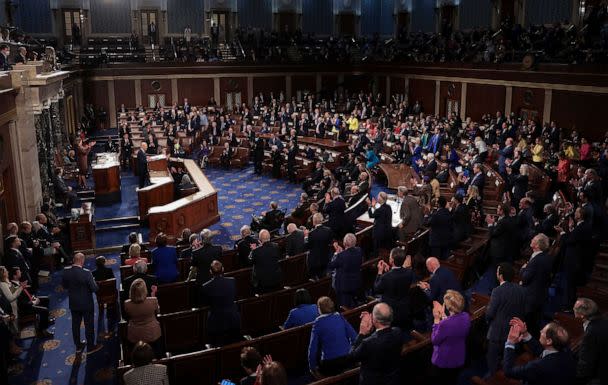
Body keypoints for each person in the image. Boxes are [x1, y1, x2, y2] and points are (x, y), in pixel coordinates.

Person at [503, 318, 576, 385]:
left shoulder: (538, 366)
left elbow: (509, 371)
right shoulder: (566, 352)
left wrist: (510, 342)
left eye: (543, 332)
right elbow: (542, 352)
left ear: (549, 341)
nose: (540, 331)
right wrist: (525, 333)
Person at [485, 262, 526, 376]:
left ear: (500, 275)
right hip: (514, 332)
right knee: (508, 360)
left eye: (497, 271)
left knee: (493, 361)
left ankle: (493, 378)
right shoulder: (521, 290)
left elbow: (490, 313)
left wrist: (488, 319)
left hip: (497, 334)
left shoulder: (497, 291)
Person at [350, 303, 403, 385]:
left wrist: (362, 333)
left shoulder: (368, 343)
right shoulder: (398, 332)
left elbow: (352, 357)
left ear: (375, 320)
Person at [61, 252, 101, 353]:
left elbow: (65, 286)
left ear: (74, 260)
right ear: (82, 261)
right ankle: (91, 347)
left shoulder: (66, 272)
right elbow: (94, 288)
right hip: (86, 303)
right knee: (89, 325)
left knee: (75, 325)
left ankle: (78, 347)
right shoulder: (86, 273)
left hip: (73, 303)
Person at [308, 296, 357, 378]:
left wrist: (312, 368)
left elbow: (313, 348)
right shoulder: (339, 316)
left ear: (319, 309)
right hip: (347, 359)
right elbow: (354, 337)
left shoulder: (318, 322)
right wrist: (351, 352)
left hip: (330, 364)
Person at [430, 290, 471, 385]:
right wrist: (444, 317)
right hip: (458, 357)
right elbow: (453, 327)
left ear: (449, 307)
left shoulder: (444, 324)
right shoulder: (466, 316)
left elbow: (435, 340)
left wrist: (436, 320)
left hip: (444, 360)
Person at [519, 233, 553, 338]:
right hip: (541, 295)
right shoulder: (548, 257)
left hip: (531, 298)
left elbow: (524, 278)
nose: (531, 239)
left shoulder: (536, 260)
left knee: (528, 323)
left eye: (534, 239)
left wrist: (523, 268)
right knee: (535, 323)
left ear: (537, 245)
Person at [200, 261, 241, 346]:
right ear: (223, 269)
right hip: (233, 318)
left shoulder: (206, 286)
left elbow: (205, 303)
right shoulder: (232, 281)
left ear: (210, 272)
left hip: (216, 322)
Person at [374, 247, 415, 330]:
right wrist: (389, 271)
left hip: (391, 312)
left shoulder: (386, 277)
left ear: (392, 260)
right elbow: (398, 276)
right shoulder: (409, 272)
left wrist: (380, 272)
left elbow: (377, 289)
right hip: (405, 308)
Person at [573, 298, 608, 385]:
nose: (573, 310)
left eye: (574, 309)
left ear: (581, 315)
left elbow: (586, 364)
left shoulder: (591, 333)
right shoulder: (603, 320)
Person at [124, 278, 162, 357]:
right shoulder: (153, 300)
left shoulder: (127, 304)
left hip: (135, 335)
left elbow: (126, 317)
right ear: (145, 290)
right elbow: (158, 312)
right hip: (152, 334)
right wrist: (153, 295)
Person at [327, 233, 363, 309]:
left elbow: (331, 265)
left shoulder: (341, 256)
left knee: (344, 307)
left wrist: (336, 253)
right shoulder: (359, 251)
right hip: (356, 283)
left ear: (344, 243)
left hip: (344, 286)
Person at [304, 213, 333, 279]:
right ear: (322, 220)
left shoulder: (311, 233)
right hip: (326, 258)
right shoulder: (328, 230)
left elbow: (307, 247)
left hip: (315, 261)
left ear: (313, 221)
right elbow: (330, 242)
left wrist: (306, 237)